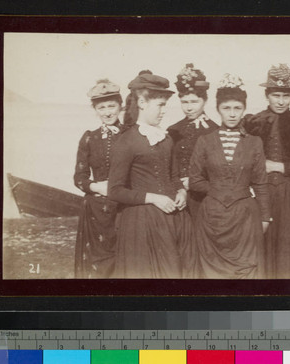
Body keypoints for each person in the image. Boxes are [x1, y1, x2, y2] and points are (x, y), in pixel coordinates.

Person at [107, 72, 192, 279]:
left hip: (174, 219)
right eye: (160, 105)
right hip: (142, 224)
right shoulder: (126, 141)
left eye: (165, 105)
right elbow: (115, 191)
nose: (164, 111)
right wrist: (153, 198)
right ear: (142, 102)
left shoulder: (165, 138)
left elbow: (173, 176)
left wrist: (181, 191)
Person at [189, 73, 271, 279]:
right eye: (227, 108)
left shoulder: (254, 142)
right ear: (218, 109)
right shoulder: (205, 141)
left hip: (245, 218)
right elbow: (195, 181)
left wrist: (265, 217)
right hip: (212, 217)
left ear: (244, 109)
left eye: (237, 108)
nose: (232, 114)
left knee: (246, 273)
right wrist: (220, 191)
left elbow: (261, 183)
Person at [244, 64, 290, 278]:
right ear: (267, 95)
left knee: (289, 252)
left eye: (286, 95)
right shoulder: (253, 122)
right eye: (276, 95)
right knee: (260, 248)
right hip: (260, 195)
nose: (281, 101)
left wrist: (280, 167)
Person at [73, 79, 125, 278]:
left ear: (121, 106)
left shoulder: (131, 135)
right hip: (95, 211)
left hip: (124, 208)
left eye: (111, 106)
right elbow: (79, 177)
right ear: (95, 110)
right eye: (101, 107)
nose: (107, 112)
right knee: (97, 268)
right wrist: (96, 187)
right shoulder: (89, 138)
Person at [167, 64, 218, 219]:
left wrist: (195, 181)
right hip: (177, 197)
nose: (189, 108)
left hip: (205, 198)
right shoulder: (173, 130)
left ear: (205, 100)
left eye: (194, 102)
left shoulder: (215, 131)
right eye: (185, 102)